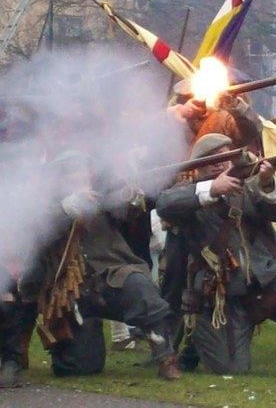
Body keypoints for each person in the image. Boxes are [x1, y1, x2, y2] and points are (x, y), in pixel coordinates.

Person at [155, 133, 276, 380]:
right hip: (219, 296)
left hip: (263, 280)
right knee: (231, 368)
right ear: (197, 165)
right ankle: (194, 344)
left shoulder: (250, 186)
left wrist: (267, 182)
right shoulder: (189, 193)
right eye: (211, 158)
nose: (219, 163)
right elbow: (164, 204)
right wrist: (213, 189)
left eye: (225, 157)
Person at [31, 151, 179, 380]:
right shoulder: (45, 208)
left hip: (113, 274)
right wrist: (66, 209)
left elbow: (127, 210)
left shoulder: (103, 196)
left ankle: (166, 358)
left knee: (140, 288)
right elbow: (36, 232)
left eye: (83, 171)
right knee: (78, 367)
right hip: (70, 291)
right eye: (71, 174)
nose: (80, 177)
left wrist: (130, 195)